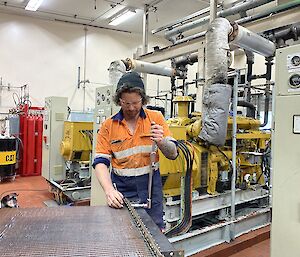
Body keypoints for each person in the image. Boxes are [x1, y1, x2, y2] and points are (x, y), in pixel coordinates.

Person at [93, 71, 178, 229]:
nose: (131, 108)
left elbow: (173, 154)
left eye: (136, 103)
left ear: (143, 100)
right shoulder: (108, 126)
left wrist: (161, 141)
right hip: (122, 189)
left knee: (155, 231)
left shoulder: (156, 118)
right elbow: (100, 162)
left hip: (151, 186)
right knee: (123, 231)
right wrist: (109, 190)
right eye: (126, 103)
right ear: (119, 101)